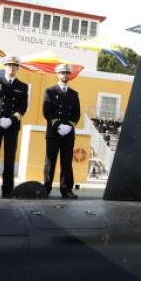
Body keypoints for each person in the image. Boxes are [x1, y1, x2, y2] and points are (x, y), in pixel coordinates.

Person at [0, 55, 30, 198]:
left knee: (9, 159)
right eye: (9, 65)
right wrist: (0, 118)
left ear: (18, 68)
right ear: (4, 67)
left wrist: (11, 120)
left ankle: (7, 191)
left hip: (12, 126)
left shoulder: (23, 86)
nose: (11, 68)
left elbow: (23, 107)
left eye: (14, 66)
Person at [43, 63, 81, 198]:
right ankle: (46, 188)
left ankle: (66, 190)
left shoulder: (74, 94)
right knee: (50, 161)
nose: (65, 75)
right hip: (53, 132)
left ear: (69, 75)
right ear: (57, 74)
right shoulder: (50, 91)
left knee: (66, 162)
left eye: (67, 73)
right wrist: (59, 125)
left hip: (68, 133)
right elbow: (47, 111)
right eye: (62, 73)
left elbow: (76, 113)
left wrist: (69, 126)